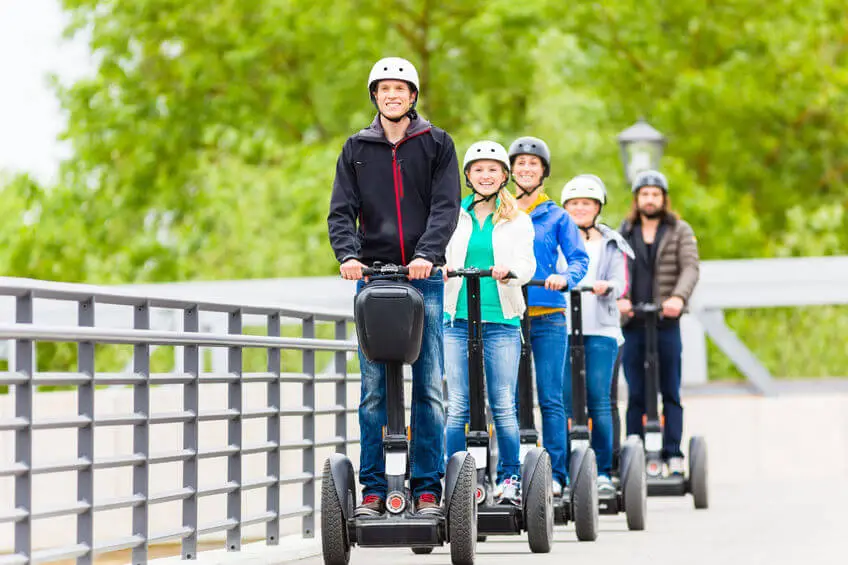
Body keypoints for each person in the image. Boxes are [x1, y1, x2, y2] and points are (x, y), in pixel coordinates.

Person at [327, 57, 461, 516]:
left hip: (425, 280)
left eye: (400, 89)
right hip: (374, 281)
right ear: (374, 96)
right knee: (373, 391)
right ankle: (373, 488)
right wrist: (348, 256)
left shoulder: (437, 144)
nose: (392, 95)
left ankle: (426, 486)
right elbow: (341, 210)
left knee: (428, 386)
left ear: (413, 96)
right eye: (384, 89)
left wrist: (427, 254)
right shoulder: (356, 148)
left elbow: (447, 207)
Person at [443, 140, 536, 504]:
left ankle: (509, 479)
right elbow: (436, 251)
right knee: (458, 406)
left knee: (502, 404)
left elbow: (528, 265)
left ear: (504, 176)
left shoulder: (517, 219)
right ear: (468, 175)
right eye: (478, 169)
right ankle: (453, 479)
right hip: (457, 317)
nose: (485, 175)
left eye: (493, 169)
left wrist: (509, 272)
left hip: (501, 319)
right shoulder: (452, 214)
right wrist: (441, 267)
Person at [508, 136, 589, 495]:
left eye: (533, 164)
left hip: (548, 314)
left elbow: (578, 259)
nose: (526, 169)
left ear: (543, 172)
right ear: (511, 171)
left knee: (550, 396)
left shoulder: (557, 215)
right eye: (520, 164)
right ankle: (508, 472)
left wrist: (565, 277)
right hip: (509, 313)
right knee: (507, 396)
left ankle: (555, 473)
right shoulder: (500, 211)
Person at [617, 169, 700, 475]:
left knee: (670, 391)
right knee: (636, 392)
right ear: (637, 199)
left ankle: (673, 453)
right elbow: (614, 270)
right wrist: (620, 298)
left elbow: (690, 267)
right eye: (644, 194)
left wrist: (677, 298)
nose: (649, 200)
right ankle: (634, 454)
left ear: (664, 199)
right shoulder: (623, 232)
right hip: (634, 321)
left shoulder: (679, 230)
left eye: (655, 194)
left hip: (666, 323)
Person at [560, 174, 634, 496]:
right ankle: (559, 472)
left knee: (598, 399)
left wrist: (609, 287)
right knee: (561, 401)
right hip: (561, 328)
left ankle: (604, 470)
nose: (580, 209)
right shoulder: (556, 237)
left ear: (597, 207)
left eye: (586, 204)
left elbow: (621, 280)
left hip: (600, 328)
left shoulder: (610, 243)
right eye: (574, 204)